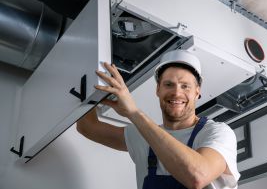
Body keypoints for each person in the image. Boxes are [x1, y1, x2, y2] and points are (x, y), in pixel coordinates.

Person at [77, 50, 240, 189]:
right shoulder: (142, 135)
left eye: (185, 86)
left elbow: (197, 176)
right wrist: (91, 83)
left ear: (197, 92)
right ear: (158, 90)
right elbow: (88, 127)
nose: (177, 93)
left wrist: (134, 113)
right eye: (169, 84)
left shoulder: (217, 132)